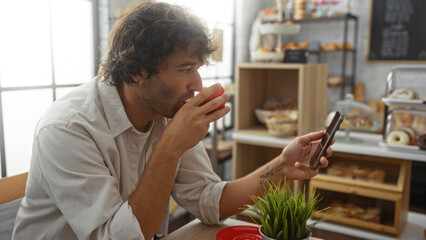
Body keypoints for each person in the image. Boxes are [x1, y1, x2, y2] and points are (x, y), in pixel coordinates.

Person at [12, 2, 331, 240]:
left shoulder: (166, 111)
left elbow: (209, 202)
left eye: (197, 68)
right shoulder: (69, 128)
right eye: (184, 69)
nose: (196, 83)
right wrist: (170, 147)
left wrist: (281, 166)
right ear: (138, 70)